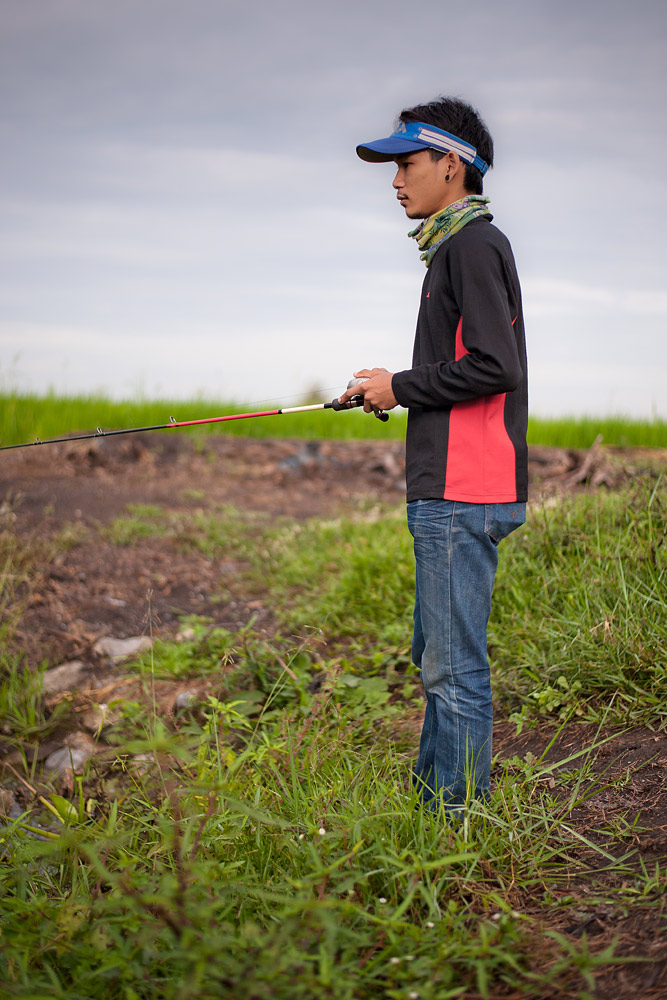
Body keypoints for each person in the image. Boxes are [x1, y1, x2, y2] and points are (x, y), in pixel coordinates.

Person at [339, 97, 528, 813]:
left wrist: (402, 384)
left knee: (453, 669)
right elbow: (467, 365)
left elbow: (494, 365)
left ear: (452, 166)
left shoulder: (471, 246)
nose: (394, 180)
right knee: (436, 661)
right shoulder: (454, 248)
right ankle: (431, 806)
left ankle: (455, 825)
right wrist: (393, 388)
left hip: (463, 490)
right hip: (450, 488)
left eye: (405, 164)